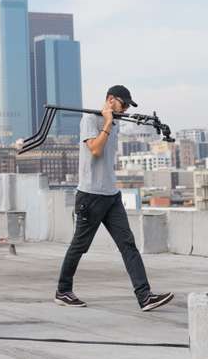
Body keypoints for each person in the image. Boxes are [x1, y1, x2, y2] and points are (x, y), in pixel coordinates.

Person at [55, 84, 173, 311]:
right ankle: (63, 290)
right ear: (110, 100)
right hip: (90, 195)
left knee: (128, 245)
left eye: (128, 105)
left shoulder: (117, 123)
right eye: (123, 103)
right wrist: (108, 122)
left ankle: (145, 296)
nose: (126, 108)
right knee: (80, 246)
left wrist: (115, 121)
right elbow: (96, 150)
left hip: (111, 195)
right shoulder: (90, 120)